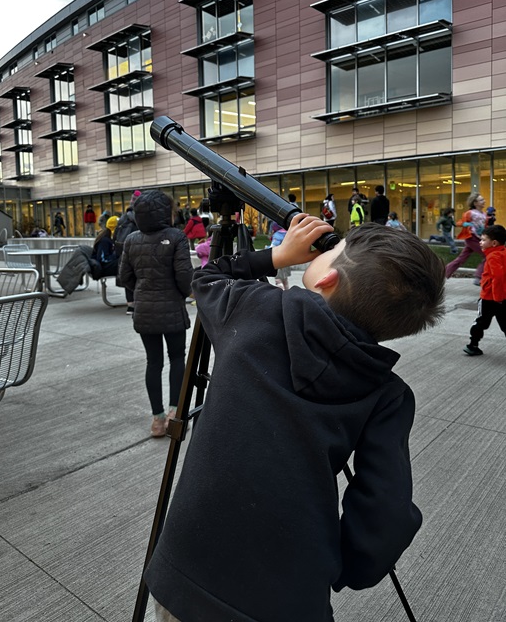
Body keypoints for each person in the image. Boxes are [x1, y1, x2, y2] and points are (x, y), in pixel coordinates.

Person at [145, 216, 445, 622]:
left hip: (186, 573)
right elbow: (386, 511)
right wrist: (350, 567)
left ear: (327, 278)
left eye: (333, 250)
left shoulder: (255, 308)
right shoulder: (386, 395)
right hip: (289, 598)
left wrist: (277, 255)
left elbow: (209, 277)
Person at [119, 190, 193, 437]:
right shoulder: (176, 237)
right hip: (172, 308)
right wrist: (182, 294)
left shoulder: (131, 240)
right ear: (166, 212)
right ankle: (175, 413)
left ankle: (157, 420)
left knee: (154, 362)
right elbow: (185, 277)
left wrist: (143, 290)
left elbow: (125, 278)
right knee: (177, 359)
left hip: (145, 311)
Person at [462, 224, 506, 356]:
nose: (480, 242)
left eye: (483, 240)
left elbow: (498, 277)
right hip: (502, 298)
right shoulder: (502, 253)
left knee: (480, 322)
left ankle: (472, 345)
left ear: (493, 243)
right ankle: (473, 345)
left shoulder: (493, 256)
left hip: (490, 298)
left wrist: (498, 297)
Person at [445, 192, 486, 284]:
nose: (484, 201)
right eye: (481, 200)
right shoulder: (470, 213)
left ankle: (443, 272)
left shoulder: (484, 214)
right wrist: (465, 224)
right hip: (471, 238)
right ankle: (478, 277)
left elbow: (485, 226)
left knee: (462, 258)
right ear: (475, 203)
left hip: (479, 238)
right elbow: (458, 223)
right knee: (488, 255)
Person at [114, 190, 141, 314]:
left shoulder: (124, 217)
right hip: (139, 250)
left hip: (124, 249)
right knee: (139, 276)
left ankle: (130, 305)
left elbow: (116, 235)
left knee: (128, 275)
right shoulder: (142, 216)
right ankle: (139, 302)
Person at [269, 222, 291, 290]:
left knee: (278, 279)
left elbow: (273, 247)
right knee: (285, 279)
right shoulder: (288, 234)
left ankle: (282, 293)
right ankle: (288, 293)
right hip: (287, 260)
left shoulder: (277, 235)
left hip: (278, 260)